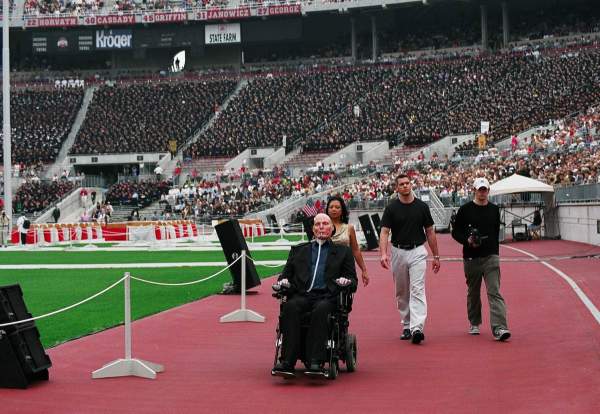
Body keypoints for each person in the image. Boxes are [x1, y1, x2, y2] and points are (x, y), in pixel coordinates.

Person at [272, 213, 357, 378]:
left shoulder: (342, 252)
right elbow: (285, 276)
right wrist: (284, 283)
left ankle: (315, 361)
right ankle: (286, 362)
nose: (321, 227)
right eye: (318, 224)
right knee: (290, 307)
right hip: (302, 295)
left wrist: (345, 281)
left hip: (327, 296)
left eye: (325, 224)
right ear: (312, 229)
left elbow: (353, 281)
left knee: (321, 310)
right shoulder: (299, 250)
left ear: (332, 229)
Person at [379, 174, 441, 344]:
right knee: (402, 291)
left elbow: (430, 231)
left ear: (411, 185)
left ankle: (417, 328)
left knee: (417, 290)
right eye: (401, 184)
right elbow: (384, 232)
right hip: (398, 251)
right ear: (396, 188)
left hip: (418, 251)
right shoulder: (391, 208)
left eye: (407, 183)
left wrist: (436, 256)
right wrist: (383, 253)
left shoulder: (422, 207)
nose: (405, 186)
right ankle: (406, 324)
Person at [451, 177, 511, 341]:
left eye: (485, 189)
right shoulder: (465, 210)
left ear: (488, 191)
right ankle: (474, 322)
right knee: (473, 292)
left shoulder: (494, 209)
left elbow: (494, 231)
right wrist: (467, 240)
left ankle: (500, 327)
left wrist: (495, 252)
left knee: (494, 292)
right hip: (471, 258)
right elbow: (455, 232)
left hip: (491, 256)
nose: (482, 192)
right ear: (474, 190)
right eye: (480, 189)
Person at [325, 195, 369, 287]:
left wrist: (364, 270)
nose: (334, 209)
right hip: (325, 266)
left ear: (342, 210)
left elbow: (355, 250)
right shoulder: (321, 227)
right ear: (327, 209)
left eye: (337, 207)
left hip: (345, 267)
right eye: (331, 207)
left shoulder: (349, 228)